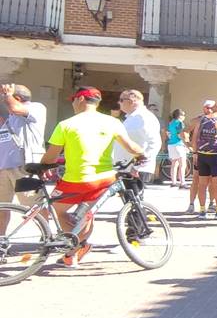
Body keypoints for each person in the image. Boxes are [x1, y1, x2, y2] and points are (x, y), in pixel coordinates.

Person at [39, 87, 144, 266]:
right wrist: (141, 155)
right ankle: (75, 250)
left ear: (80, 99)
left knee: (57, 209)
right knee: (87, 214)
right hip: (104, 180)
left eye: (73, 100)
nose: (72, 104)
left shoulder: (66, 124)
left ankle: (74, 248)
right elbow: (131, 147)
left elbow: (51, 155)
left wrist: (43, 166)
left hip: (75, 180)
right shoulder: (112, 122)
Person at [0, 84, 47, 230]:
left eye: (5, 96)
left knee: (34, 205)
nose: (3, 99)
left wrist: (7, 94)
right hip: (4, 168)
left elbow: (15, 108)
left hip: (24, 167)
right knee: (2, 207)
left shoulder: (36, 108)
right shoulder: (11, 118)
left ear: (17, 98)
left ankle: (48, 235)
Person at [114, 90, 162, 183]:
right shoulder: (132, 117)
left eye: (121, 100)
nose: (118, 102)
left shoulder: (143, 117)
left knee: (134, 197)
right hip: (125, 168)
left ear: (132, 101)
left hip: (136, 171)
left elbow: (154, 143)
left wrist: (138, 166)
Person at [164, 109, 188, 188]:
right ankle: (182, 182)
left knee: (174, 164)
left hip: (171, 144)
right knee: (182, 164)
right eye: (183, 115)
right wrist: (187, 144)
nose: (184, 117)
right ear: (180, 116)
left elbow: (168, 133)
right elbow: (181, 134)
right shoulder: (180, 123)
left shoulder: (171, 123)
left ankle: (173, 182)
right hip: (179, 144)